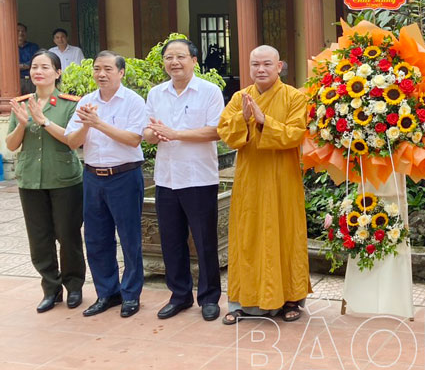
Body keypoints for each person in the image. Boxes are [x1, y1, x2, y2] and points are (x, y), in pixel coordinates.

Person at [217, 45, 310, 325]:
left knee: (285, 234)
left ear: (279, 66)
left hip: (283, 179)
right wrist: (243, 119)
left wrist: (263, 121)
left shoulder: (294, 97)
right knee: (249, 235)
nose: (261, 69)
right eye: (255, 64)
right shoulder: (239, 98)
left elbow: (295, 134)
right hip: (250, 180)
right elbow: (225, 132)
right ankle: (243, 301)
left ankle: (290, 299)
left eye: (267, 64)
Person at [143, 39, 225, 322]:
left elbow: (216, 131)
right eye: (168, 57)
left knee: (204, 241)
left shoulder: (209, 91)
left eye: (180, 56)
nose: (174, 62)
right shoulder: (156, 93)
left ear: (194, 60)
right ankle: (179, 295)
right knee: (171, 240)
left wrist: (175, 133)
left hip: (199, 177)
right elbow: (148, 128)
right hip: (166, 177)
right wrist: (152, 135)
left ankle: (209, 297)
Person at [65, 51, 148, 318]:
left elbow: (134, 139)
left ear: (121, 72)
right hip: (92, 177)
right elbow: (72, 141)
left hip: (124, 176)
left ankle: (131, 294)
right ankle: (107, 293)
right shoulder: (86, 102)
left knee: (129, 237)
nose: (101, 74)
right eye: (97, 69)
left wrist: (98, 123)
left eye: (108, 69)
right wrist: (87, 125)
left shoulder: (133, 101)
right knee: (96, 238)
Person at [5, 50, 85, 313]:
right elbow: (12, 145)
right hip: (30, 180)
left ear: (57, 73)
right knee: (39, 238)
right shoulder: (21, 103)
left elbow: (74, 140)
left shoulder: (69, 103)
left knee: (68, 235)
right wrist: (22, 124)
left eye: (45, 67)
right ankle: (50, 289)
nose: (38, 72)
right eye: (35, 67)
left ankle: (74, 286)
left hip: (64, 180)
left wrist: (44, 120)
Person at [17, 23, 40, 94]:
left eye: (23, 31)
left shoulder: (34, 47)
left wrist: (21, 66)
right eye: (18, 31)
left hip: (31, 80)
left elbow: (37, 61)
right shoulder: (7, 47)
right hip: (15, 81)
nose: (21, 33)